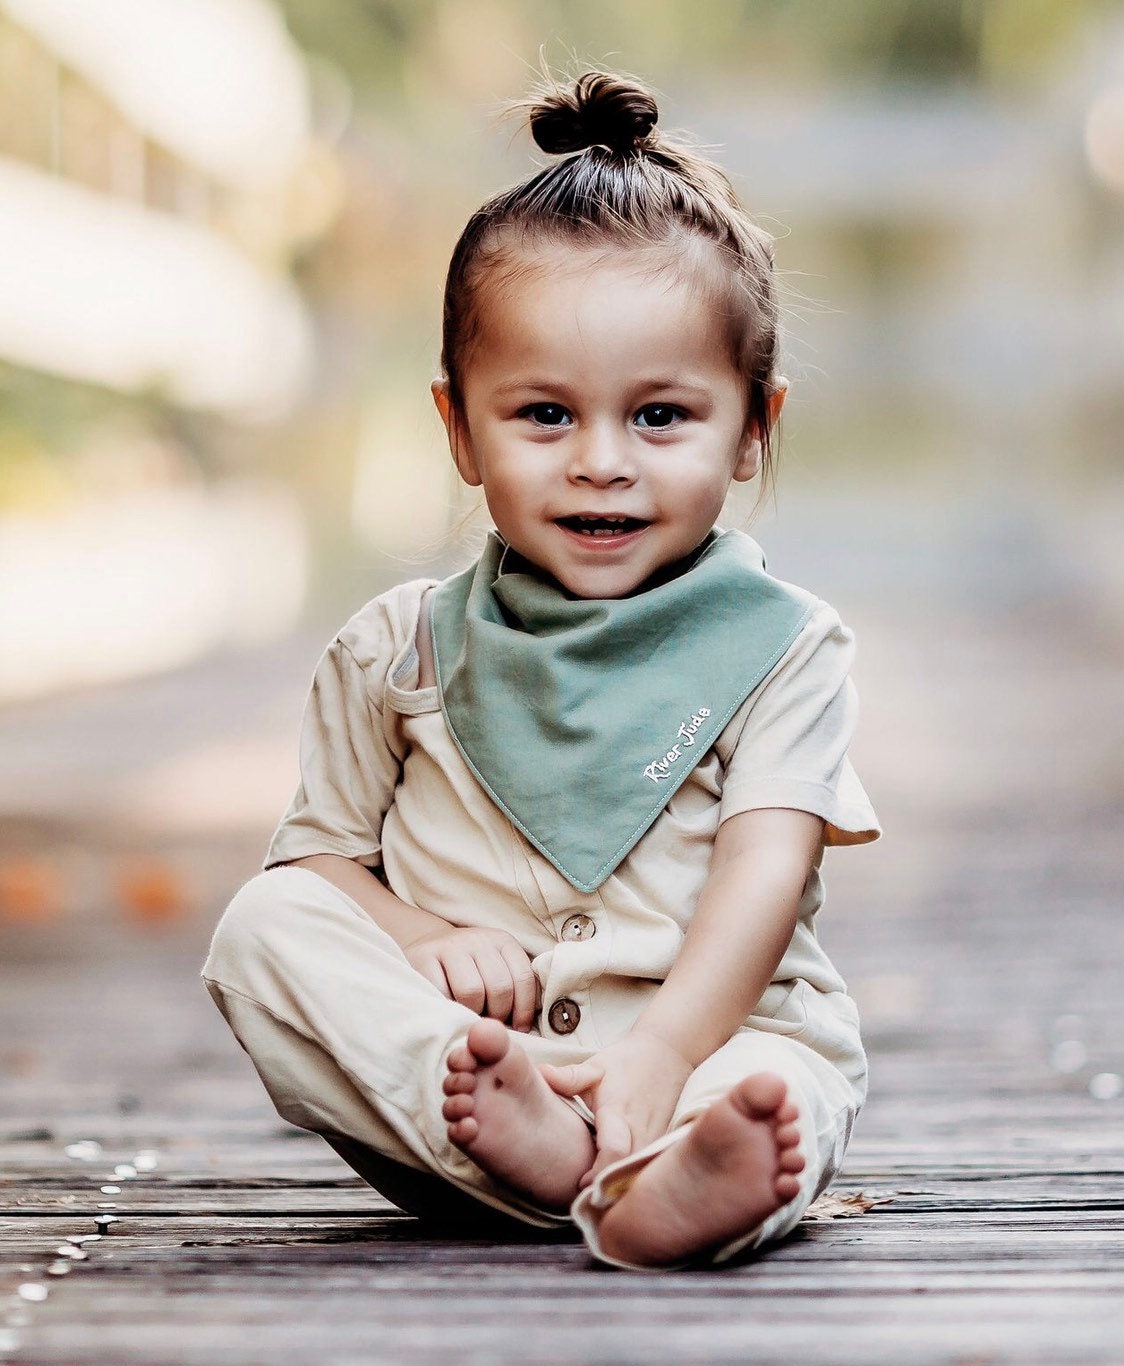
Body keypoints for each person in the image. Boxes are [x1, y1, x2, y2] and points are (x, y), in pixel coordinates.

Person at [202, 68, 880, 1271]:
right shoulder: (396, 648)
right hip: (472, 1077)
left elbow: (764, 871)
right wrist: (414, 933)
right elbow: (316, 860)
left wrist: (666, 1051)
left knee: (779, 1089)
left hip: (703, 1049)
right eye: (544, 415)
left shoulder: (784, 648)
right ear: (459, 428)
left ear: (752, 428)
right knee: (264, 928)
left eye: (661, 416)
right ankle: (578, 1171)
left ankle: (691, 1166)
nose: (602, 463)